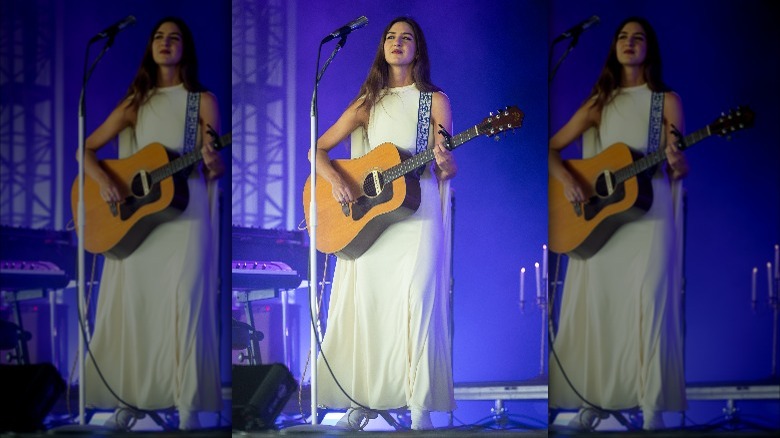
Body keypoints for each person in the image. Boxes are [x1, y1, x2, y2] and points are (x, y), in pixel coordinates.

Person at [311, 16, 457, 430]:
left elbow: (444, 166)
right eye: (391, 37)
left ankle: (420, 409)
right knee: (370, 307)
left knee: (418, 303)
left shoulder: (435, 99)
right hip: (372, 217)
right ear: (382, 47)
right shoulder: (367, 101)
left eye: (406, 37)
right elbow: (317, 150)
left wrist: (447, 162)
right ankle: (364, 401)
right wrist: (338, 180)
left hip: (419, 213)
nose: (397, 42)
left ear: (418, 49)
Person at [79, 16, 224, 431]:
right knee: (139, 307)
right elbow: (85, 150)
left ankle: (187, 406)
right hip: (139, 220)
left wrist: (214, 162)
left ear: (185, 48)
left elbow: (214, 167)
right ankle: (132, 400)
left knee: (186, 305)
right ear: (150, 48)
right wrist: (106, 181)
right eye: (159, 37)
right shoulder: (135, 102)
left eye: (174, 37)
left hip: (188, 213)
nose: (165, 43)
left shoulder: (203, 100)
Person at [548, 16, 688, 431]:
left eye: (638, 37)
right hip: (604, 218)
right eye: (623, 37)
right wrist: (569, 181)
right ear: (614, 47)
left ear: (649, 48)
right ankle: (597, 399)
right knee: (602, 307)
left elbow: (677, 163)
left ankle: (650, 410)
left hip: (652, 213)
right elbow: (552, 148)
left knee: (649, 306)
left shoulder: (667, 100)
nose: (629, 43)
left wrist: (679, 161)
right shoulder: (600, 101)